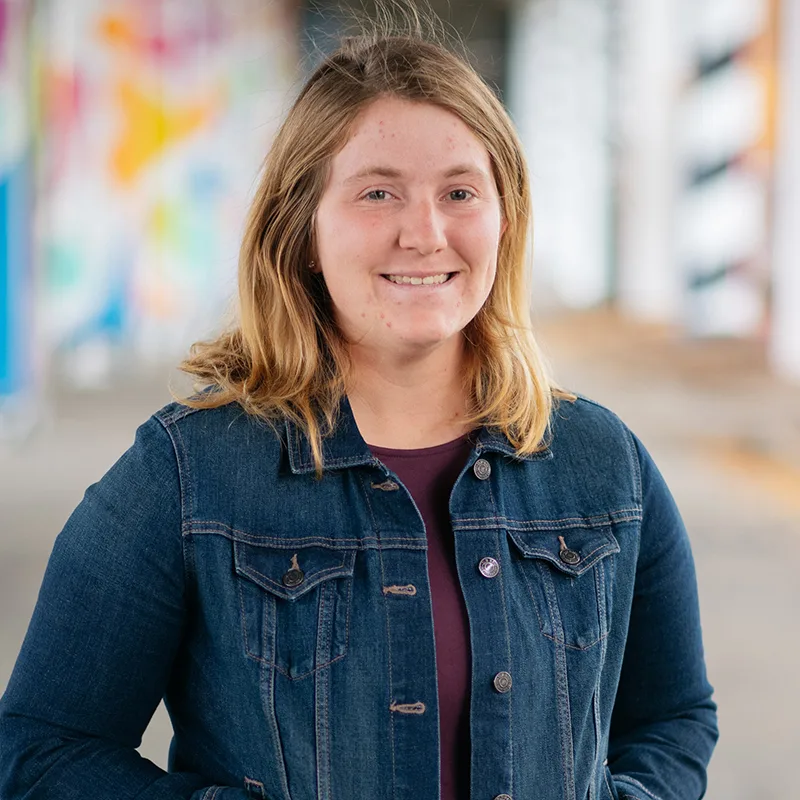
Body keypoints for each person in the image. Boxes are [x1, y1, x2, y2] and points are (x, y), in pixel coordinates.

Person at [0, 20, 718, 800]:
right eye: (378, 192)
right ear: (303, 230)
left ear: (504, 218)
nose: (425, 232)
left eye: (460, 192)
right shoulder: (188, 474)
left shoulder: (601, 462)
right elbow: (43, 747)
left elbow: (672, 718)